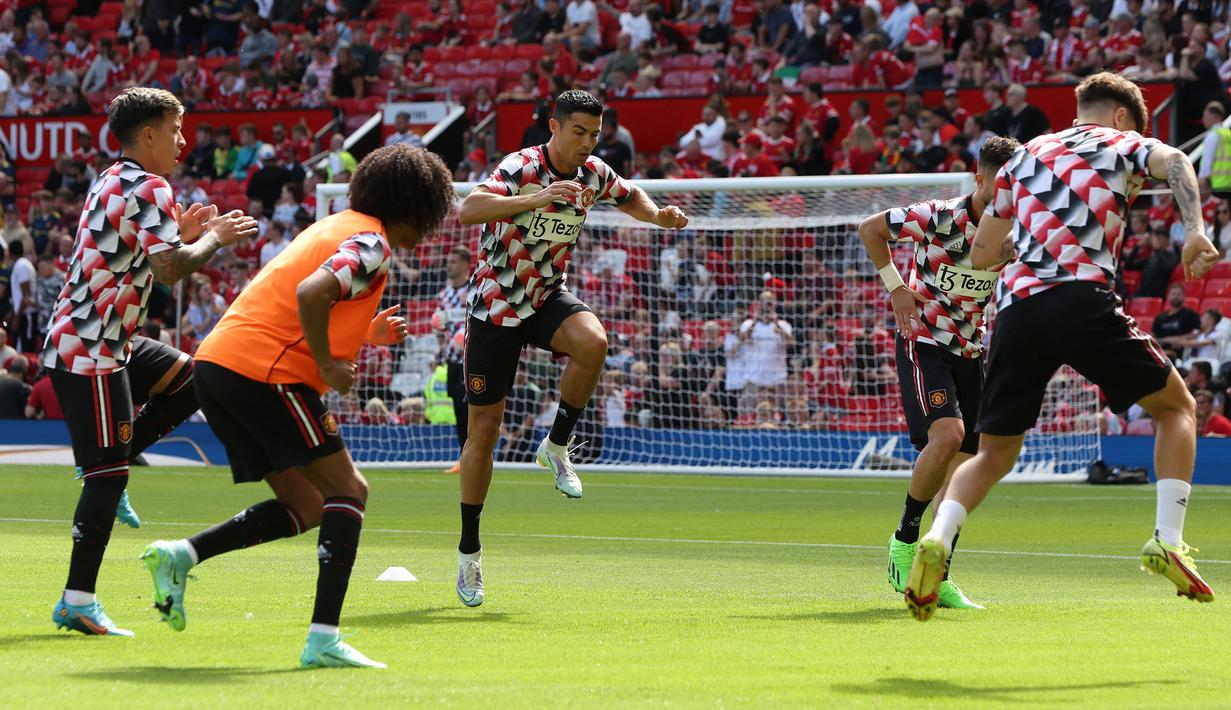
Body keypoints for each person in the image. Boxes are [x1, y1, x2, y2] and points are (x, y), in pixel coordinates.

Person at [905, 73, 1219, 621]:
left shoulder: (1023, 157)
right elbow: (1177, 163)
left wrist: (1033, 238)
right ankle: (1167, 541)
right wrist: (1193, 228)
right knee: (1177, 408)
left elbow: (983, 253)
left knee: (993, 453)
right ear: (1121, 116)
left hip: (1016, 313)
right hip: (1082, 298)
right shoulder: (1118, 141)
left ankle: (937, 537)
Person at [140, 145, 454, 668]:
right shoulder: (372, 241)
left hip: (218, 366)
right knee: (349, 490)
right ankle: (323, 640)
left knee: (308, 505)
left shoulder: (333, 225)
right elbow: (311, 293)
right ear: (417, 205)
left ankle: (181, 555)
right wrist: (329, 364)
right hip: (264, 372)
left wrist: (365, 334)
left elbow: (296, 298)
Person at [453, 90, 688, 607]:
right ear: (554, 127)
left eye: (595, 135)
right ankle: (469, 553)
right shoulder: (521, 166)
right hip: (496, 306)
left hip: (544, 297)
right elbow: (470, 208)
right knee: (483, 434)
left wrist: (657, 216)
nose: (587, 143)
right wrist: (534, 199)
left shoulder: (593, 174)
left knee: (594, 342)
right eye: (578, 132)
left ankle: (557, 446)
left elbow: (630, 195)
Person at [44, 87, 258, 637]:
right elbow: (169, 271)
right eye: (175, 130)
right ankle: (76, 600)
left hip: (102, 337)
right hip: (91, 345)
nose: (183, 141)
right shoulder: (149, 185)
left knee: (194, 379)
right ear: (148, 134)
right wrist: (212, 238)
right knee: (108, 476)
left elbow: (135, 253)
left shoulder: (112, 178)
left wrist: (178, 237)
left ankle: (110, 462)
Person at [859, 136, 1019, 612]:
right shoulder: (939, 216)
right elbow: (870, 229)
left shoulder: (1014, 231)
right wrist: (896, 287)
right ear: (979, 179)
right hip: (924, 342)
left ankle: (937, 573)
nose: (1007, 193)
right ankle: (905, 537)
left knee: (963, 468)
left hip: (970, 350)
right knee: (949, 434)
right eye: (999, 184)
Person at [436, 245, 472, 472]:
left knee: (472, 411)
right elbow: (441, 328)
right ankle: (463, 459)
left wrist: (465, 334)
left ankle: (476, 457)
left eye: (454, 262)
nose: (449, 265)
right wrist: (438, 328)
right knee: (459, 411)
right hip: (452, 361)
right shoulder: (444, 294)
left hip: (471, 360)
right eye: (448, 262)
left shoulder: (473, 290)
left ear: (466, 265)